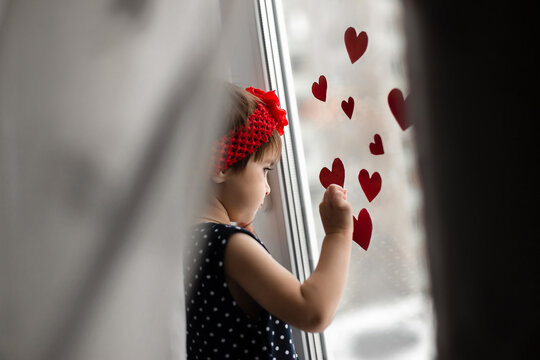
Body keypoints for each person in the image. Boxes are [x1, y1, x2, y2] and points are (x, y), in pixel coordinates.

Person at [184, 84, 353, 359]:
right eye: (265, 169)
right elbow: (313, 311)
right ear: (222, 166)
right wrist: (338, 233)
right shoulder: (229, 247)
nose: (268, 189)